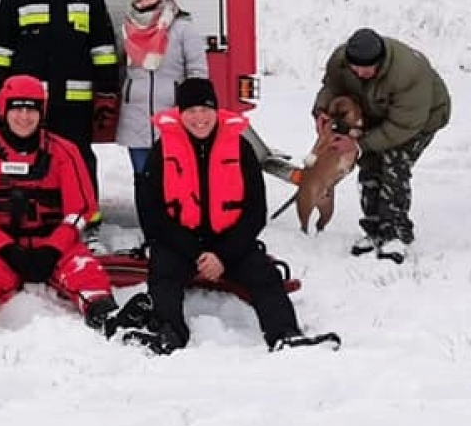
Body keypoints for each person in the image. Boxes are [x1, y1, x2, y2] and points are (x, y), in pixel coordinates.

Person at [130, 77, 339, 354]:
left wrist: (222, 255)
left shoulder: (240, 149)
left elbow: (256, 211)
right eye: (191, 111)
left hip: (229, 242)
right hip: (181, 244)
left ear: (216, 111)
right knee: (163, 276)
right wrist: (195, 252)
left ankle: (284, 334)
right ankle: (170, 333)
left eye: (205, 109)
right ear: (180, 115)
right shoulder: (162, 151)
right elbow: (152, 212)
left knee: (265, 276)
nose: (199, 118)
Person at [0, 75, 118, 339]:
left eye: (32, 109)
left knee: (86, 272)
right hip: (0, 245)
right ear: (4, 110)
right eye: (17, 108)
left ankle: (105, 315)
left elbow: (82, 208)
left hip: (53, 242)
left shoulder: (65, 151)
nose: (24, 117)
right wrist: (6, 248)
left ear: (42, 112)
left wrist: (52, 248)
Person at [0, 0, 120, 204]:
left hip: (75, 103)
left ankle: (87, 218)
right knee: (30, 160)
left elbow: (103, 47)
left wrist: (107, 91)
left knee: (77, 158)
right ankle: (35, 218)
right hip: (29, 104)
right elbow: (0, 49)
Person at [314, 27, 451, 262]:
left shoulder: (409, 72)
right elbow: (332, 87)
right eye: (355, 68)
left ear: (381, 61)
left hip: (420, 119)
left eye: (366, 69)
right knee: (369, 163)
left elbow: (402, 127)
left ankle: (396, 232)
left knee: (394, 163)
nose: (359, 73)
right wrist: (322, 111)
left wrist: (358, 145)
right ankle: (374, 228)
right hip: (377, 111)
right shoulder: (341, 62)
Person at [114, 0, 208, 201]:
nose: (145, 1)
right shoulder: (125, 31)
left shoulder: (182, 28)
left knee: (174, 174)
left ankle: (175, 224)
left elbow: (198, 71)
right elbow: (118, 67)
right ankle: (149, 227)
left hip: (173, 114)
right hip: (136, 115)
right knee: (142, 176)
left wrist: (192, 107)